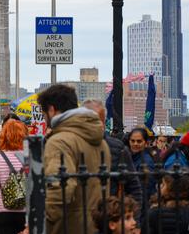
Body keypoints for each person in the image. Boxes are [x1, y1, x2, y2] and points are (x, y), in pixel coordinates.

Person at [37, 84, 111, 234]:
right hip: (97, 225)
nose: (44, 120)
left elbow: (59, 188)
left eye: (44, 114)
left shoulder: (59, 141)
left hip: (69, 226)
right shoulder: (101, 142)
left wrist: (42, 223)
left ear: (51, 110)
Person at [83, 99, 143, 205]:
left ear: (104, 122)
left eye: (98, 120)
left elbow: (134, 187)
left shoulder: (118, 148)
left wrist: (133, 217)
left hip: (110, 213)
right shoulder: (73, 145)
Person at [126, 128, 156, 197]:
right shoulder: (131, 157)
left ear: (145, 143)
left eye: (139, 141)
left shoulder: (147, 162)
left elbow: (145, 189)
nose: (135, 144)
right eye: (132, 141)